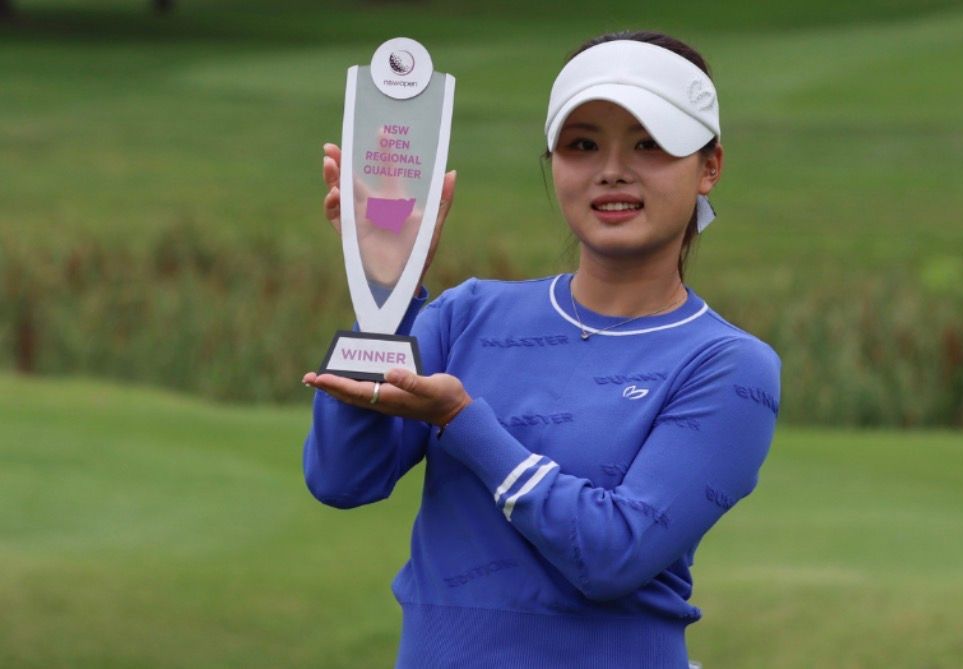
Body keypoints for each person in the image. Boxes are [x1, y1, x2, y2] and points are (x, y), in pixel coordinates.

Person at [302, 30, 781, 669]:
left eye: (650, 143)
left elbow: (613, 555)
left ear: (709, 166)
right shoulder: (466, 315)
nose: (613, 168)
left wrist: (464, 422)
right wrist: (384, 293)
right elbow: (342, 479)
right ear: (553, 163)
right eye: (583, 145)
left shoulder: (728, 366)